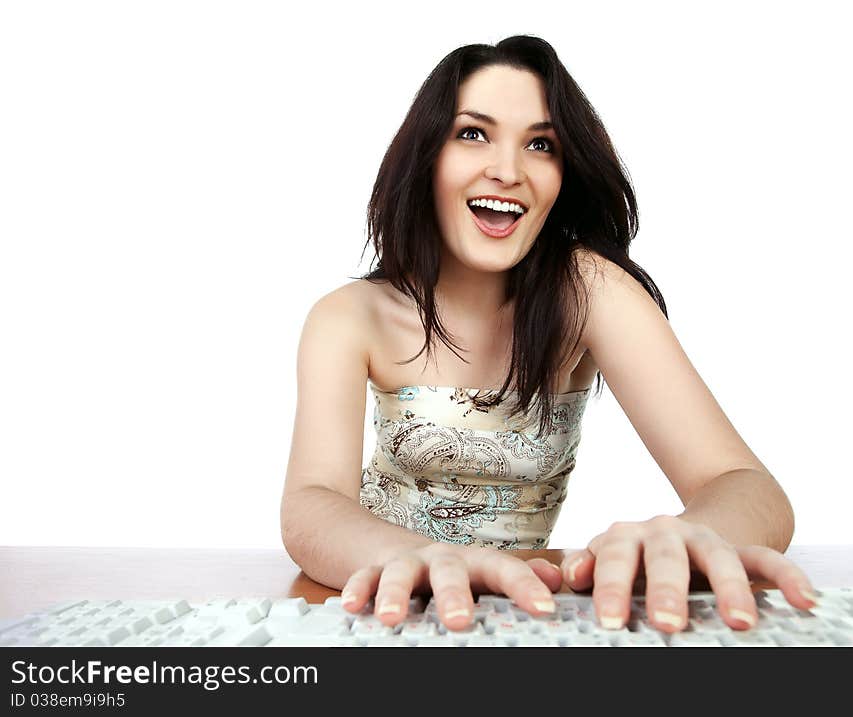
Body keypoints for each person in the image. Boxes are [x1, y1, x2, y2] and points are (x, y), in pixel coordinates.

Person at [280, 35, 816, 635]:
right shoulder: (349, 316)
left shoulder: (589, 289)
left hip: (524, 619)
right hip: (386, 611)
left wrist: (691, 539)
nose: (508, 171)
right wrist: (410, 558)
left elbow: (746, 486)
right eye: (473, 133)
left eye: (540, 144)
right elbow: (311, 503)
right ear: (425, 156)